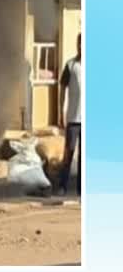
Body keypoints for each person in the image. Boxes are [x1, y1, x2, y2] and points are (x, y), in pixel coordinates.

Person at [58, 32, 82, 196]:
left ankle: (82, 189)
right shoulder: (71, 65)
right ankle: (62, 186)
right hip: (73, 118)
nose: (81, 47)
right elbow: (62, 88)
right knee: (69, 152)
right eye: (79, 43)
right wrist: (61, 111)